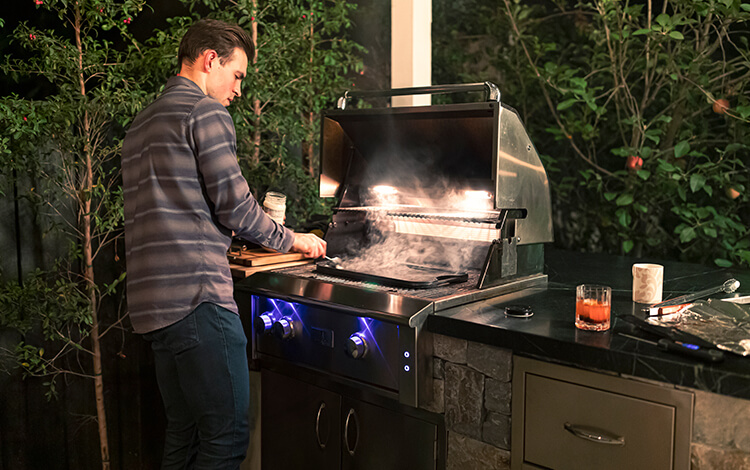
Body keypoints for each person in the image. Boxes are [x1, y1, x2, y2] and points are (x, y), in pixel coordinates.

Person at [121, 18, 326, 469]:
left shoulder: (141, 122)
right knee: (228, 437)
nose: (237, 91)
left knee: (184, 432)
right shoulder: (205, 111)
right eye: (237, 76)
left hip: (151, 309)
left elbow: (171, 207)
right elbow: (235, 206)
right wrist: (294, 240)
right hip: (197, 300)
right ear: (210, 59)